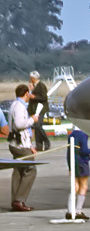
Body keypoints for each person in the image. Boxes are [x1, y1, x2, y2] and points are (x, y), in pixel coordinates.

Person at [8, 84, 37, 212]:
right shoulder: (20, 107)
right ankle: (19, 200)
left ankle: (16, 200)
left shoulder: (14, 105)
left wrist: (30, 145)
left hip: (15, 143)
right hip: (20, 145)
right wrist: (32, 120)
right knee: (31, 170)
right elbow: (20, 125)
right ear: (25, 93)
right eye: (29, 93)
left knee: (18, 171)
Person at [66, 125, 90, 220]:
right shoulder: (83, 135)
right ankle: (78, 210)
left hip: (73, 162)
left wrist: (69, 166)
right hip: (82, 162)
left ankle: (70, 210)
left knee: (75, 186)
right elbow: (84, 151)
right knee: (83, 185)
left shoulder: (71, 135)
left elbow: (68, 152)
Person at [28, 71, 50, 151]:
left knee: (38, 125)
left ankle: (46, 141)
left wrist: (34, 97)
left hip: (41, 108)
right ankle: (39, 145)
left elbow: (44, 98)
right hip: (35, 109)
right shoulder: (33, 86)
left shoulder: (41, 86)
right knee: (36, 126)